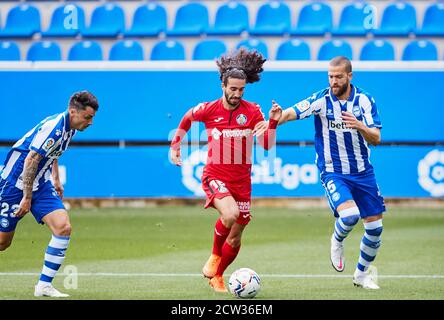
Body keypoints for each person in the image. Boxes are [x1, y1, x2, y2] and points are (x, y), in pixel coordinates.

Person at [260, 56, 385, 289]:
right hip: (333, 171)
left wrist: (359, 125)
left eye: (338, 77)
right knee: (349, 216)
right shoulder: (321, 99)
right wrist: (277, 117)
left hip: (363, 171)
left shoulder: (365, 101)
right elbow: (292, 112)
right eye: (330, 76)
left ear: (350, 76)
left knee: (375, 229)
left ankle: (360, 275)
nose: (333, 81)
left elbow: (376, 138)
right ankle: (337, 240)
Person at [170, 48, 282, 293]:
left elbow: (266, 144)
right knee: (229, 215)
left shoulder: (252, 111)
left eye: (241, 90)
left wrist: (272, 121)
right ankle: (213, 256)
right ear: (223, 85)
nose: (237, 94)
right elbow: (187, 117)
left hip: (242, 182)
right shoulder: (209, 109)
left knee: (236, 236)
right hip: (215, 176)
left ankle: (217, 275)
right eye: (233, 89)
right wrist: (175, 146)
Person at [0, 90, 99, 297]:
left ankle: (44, 285)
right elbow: (30, 160)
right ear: (73, 111)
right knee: (3, 243)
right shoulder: (54, 128)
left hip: (41, 183)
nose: (90, 122)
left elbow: (51, 152)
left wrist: (55, 177)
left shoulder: (70, 127)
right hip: (13, 184)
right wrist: (26, 198)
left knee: (63, 227)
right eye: (87, 117)